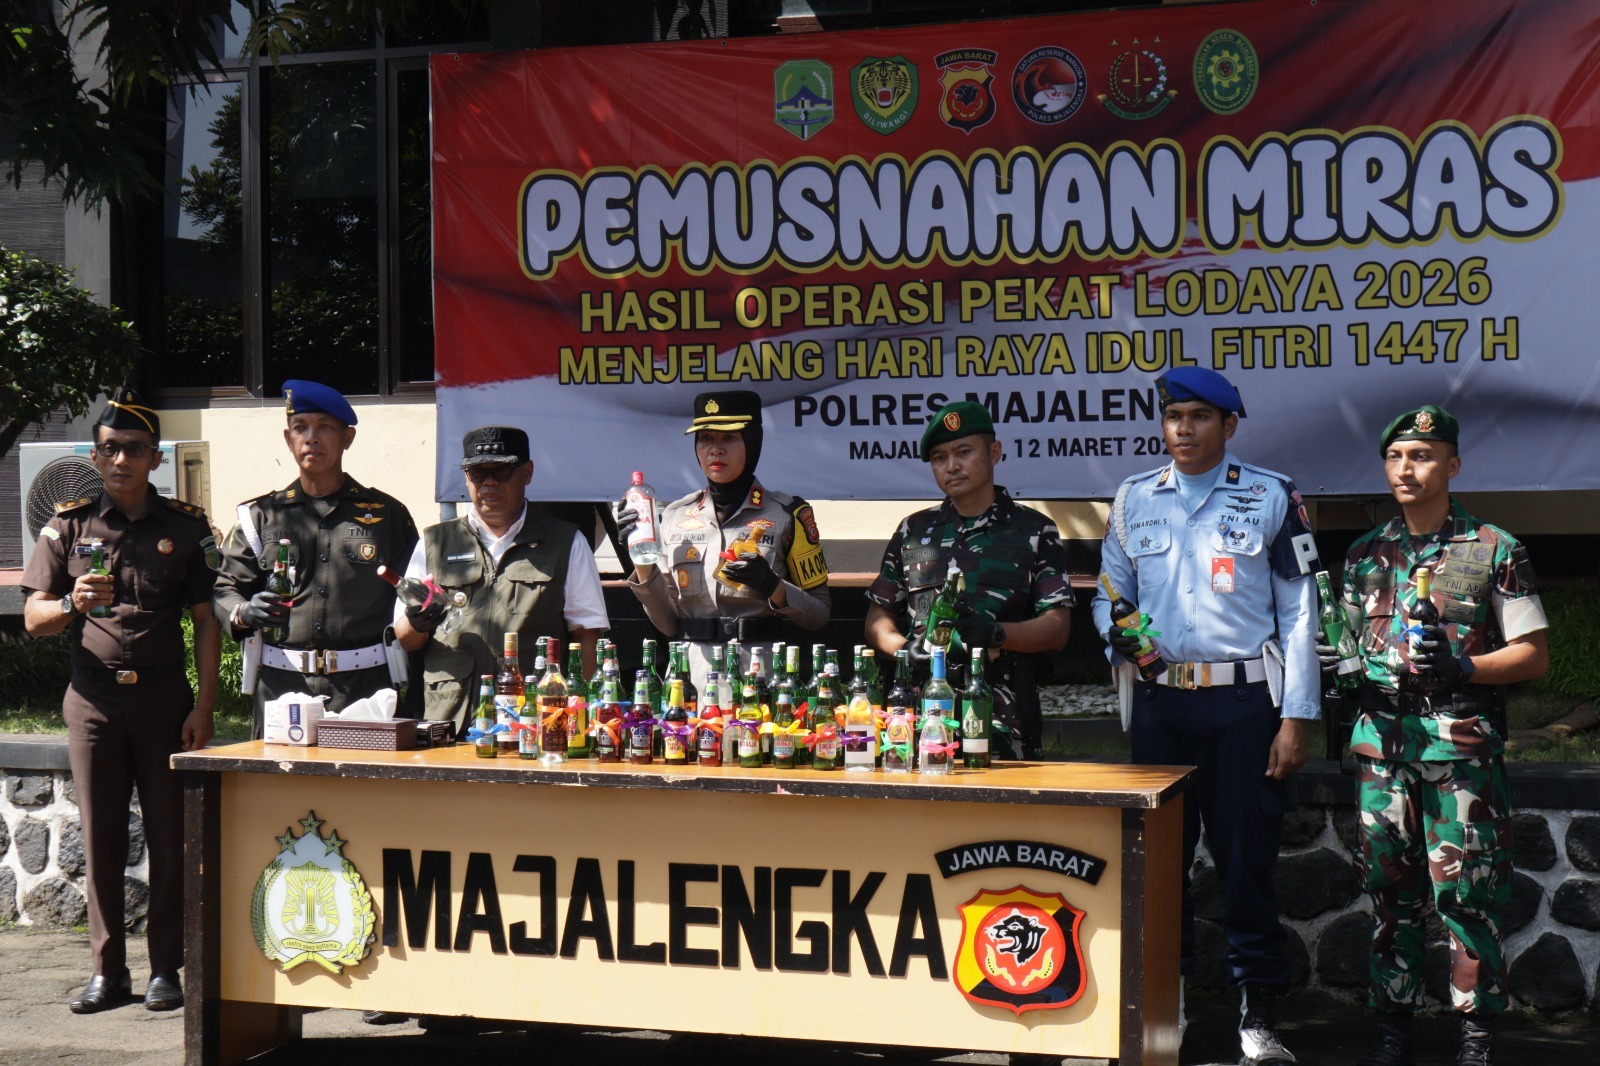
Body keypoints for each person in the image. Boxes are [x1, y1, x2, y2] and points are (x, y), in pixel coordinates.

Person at [1091, 367, 1319, 1066]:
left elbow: (1301, 612)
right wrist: (1116, 630)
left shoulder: (1272, 495)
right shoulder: (1133, 498)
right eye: (1173, 416)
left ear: (1229, 425)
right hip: (1161, 703)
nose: (1183, 429)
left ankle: (1258, 1017)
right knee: (1158, 867)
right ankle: (1168, 1006)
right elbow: (1108, 592)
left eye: (1198, 416)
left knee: (1246, 863)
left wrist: (1297, 717)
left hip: (1243, 704)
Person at [1334, 407, 1546, 1066]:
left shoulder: (1493, 548)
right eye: (1395, 456)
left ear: (1452, 465)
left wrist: (1464, 667)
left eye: (1422, 455)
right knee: (1389, 896)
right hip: (1383, 747)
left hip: (1460, 747)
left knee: (1468, 897)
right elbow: (1347, 651)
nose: (1406, 468)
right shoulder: (1364, 554)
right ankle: (1392, 1031)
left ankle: (1476, 1039)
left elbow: (1533, 653)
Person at [21, 388, 220, 1013]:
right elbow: (34, 618)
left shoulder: (185, 527)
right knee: (100, 840)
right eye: (109, 449)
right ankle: (107, 972)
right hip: (94, 702)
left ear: (155, 457)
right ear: (95, 456)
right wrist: (71, 602)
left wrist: (205, 705)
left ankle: (166, 968)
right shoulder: (69, 524)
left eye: (134, 449)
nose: (121, 460)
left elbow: (207, 620)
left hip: (164, 702)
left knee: (170, 838)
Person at [864, 401, 1073, 760]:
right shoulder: (913, 530)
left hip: (1002, 719)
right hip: (920, 717)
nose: (952, 466)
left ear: (994, 453)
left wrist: (995, 633)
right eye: (939, 457)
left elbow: (1057, 627)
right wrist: (904, 650)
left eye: (964, 452)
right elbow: (877, 619)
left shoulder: (1034, 531)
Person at [212, 380, 418, 737]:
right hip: (281, 688)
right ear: (288, 438)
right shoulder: (260, 517)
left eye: (325, 427)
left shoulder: (389, 516)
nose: (311, 438)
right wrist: (244, 612)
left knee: (361, 775)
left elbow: (412, 593)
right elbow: (223, 588)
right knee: (281, 775)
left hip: (365, 690)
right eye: (300, 427)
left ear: (347, 437)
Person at [393, 426, 609, 734]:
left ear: (527, 472)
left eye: (501, 471)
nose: (489, 482)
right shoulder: (435, 543)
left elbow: (586, 636)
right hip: (451, 721)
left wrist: (578, 721)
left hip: (534, 723)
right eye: (478, 473)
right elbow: (405, 638)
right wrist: (419, 622)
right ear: (466, 477)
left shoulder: (565, 542)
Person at [620, 390, 830, 689]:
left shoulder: (787, 514)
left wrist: (774, 586)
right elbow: (667, 623)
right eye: (705, 438)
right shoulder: (675, 516)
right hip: (690, 680)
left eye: (729, 438)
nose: (715, 450)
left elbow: (818, 615)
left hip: (758, 677)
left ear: (752, 443)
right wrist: (640, 554)